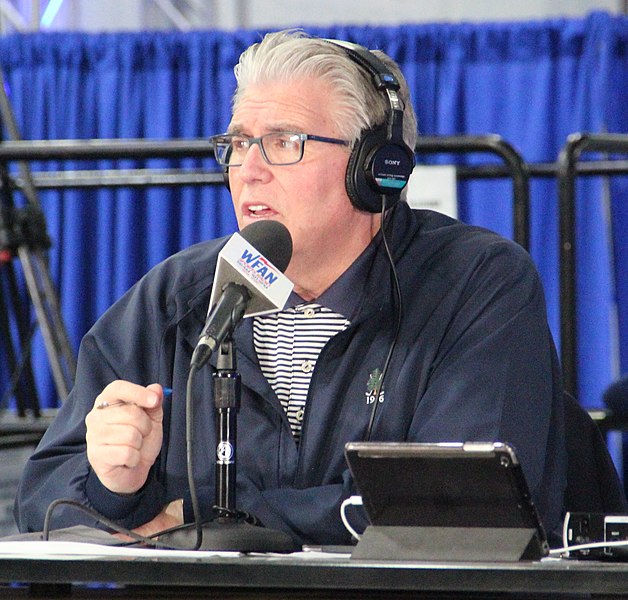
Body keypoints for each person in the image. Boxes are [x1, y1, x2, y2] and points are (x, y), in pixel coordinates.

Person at [14, 29, 566, 547]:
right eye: (237, 144)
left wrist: (213, 518)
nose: (248, 169)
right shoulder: (177, 297)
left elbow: (464, 505)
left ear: (375, 168)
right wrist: (116, 487)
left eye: (283, 142)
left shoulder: (475, 284)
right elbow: (43, 501)